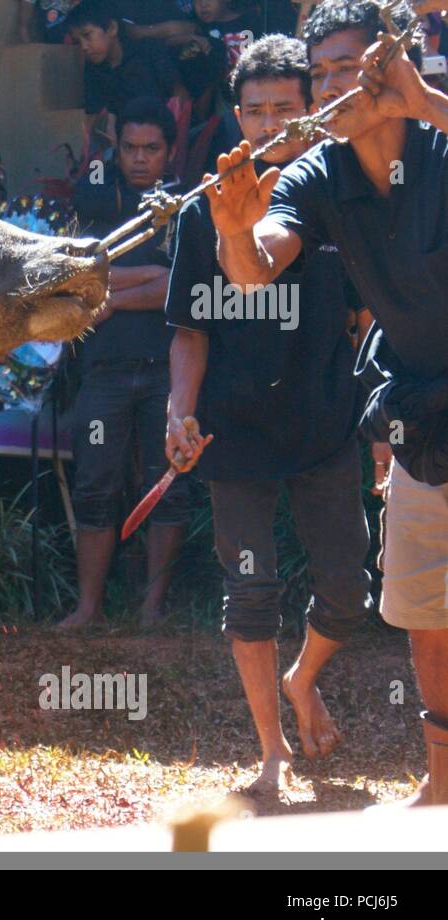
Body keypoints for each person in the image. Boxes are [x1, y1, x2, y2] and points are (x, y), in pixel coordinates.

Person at [205, 0, 448, 804]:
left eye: (351, 66)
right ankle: (442, 788)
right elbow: (255, 266)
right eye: (323, 75)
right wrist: (236, 232)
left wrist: (424, 102)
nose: (337, 86)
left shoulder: (437, 137)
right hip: (421, 408)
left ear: (390, 62)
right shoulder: (318, 174)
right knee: (425, 605)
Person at [166, 34, 372, 799]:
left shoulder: (335, 195)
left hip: (326, 422)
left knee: (349, 589)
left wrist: (381, 429)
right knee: (251, 588)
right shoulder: (203, 208)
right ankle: (271, 752)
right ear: (236, 114)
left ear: (313, 108)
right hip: (234, 430)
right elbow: (190, 328)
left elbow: (363, 321)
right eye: (255, 111)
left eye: (286, 107)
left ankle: (303, 676)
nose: (269, 124)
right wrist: (177, 413)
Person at [60, 96, 188, 628]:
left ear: (169, 151)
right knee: (94, 485)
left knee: (167, 484)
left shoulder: (188, 204)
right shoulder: (95, 203)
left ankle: (152, 609)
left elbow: (182, 286)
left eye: (151, 149)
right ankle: (87, 608)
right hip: (104, 370)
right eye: (130, 148)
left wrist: (111, 296)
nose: (140, 158)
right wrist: (132, 283)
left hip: (169, 367)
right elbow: (78, 281)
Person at [69, 0, 187, 125]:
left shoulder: (149, 50)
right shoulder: (92, 71)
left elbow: (180, 94)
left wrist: (166, 127)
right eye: (77, 41)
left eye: (87, 35)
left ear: (112, 28)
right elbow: (95, 116)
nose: (83, 47)